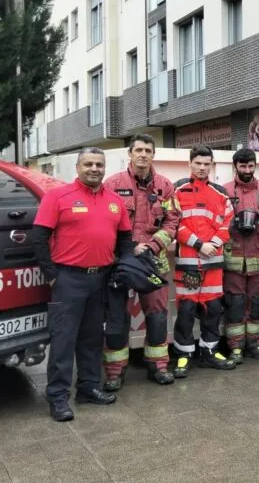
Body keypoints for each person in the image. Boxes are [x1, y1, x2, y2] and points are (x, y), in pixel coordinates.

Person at [32, 147, 133, 422]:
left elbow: (125, 239)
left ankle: (88, 388)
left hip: (100, 278)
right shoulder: (57, 196)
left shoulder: (115, 201)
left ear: (104, 168)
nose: (94, 169)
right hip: (68, 279)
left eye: (99, 164)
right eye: (88, 164)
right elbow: (39, 238)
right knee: (63, 340)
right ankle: (57, 398)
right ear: (77, 168)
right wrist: (52, 275)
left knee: (91, 339)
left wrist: (121, 268)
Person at [102, 134, 179, 390]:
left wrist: (153, 245)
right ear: (130, 154)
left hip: (153, 262)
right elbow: (102, 222)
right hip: (120, 262)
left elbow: (172, 220)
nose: (143, 154)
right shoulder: (112, 184)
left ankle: (157, 367)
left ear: (153, 154)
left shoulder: (165, 186)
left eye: (148, 150)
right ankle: (114, 372)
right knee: (117, 319)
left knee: (157, 316)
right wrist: (129, 248)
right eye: (139, 150)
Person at [172, 145, 236, 377]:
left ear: (211, 165)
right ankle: (183, 354)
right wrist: (200, 244)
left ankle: (209, 351)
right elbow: (174, 224)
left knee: (214, 309)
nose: (201, 168)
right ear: (190, 163)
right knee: (186, 310)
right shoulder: (177, 189)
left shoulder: (220, 193)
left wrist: (214, 244)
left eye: (206, 164)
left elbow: (228, 223)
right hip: (189, 263)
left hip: (213, 264)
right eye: (197, 163)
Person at [222, 149, 259, 364]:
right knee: (235, 303)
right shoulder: (223, 191)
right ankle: (236, 347)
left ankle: (255, 343)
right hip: (233, 258)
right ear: (235, 167)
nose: (247, 170)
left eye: (250, 166)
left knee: (257, 301)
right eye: (242, 166)